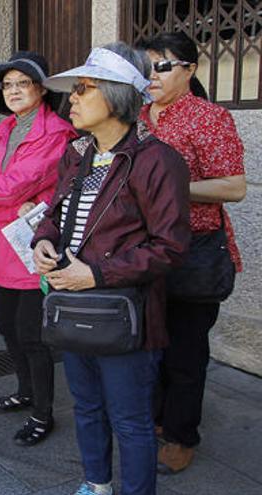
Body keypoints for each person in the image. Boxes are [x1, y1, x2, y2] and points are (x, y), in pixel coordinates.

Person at [33, 43, 191, 495]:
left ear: (118, 95)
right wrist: (44, 239)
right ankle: (96, 484)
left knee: (131, 419)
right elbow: (54, 213)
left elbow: (170, 248)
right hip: (72, 302)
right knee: (85, 406)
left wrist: (97, 274)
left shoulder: (156, 160)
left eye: (84, 89)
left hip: (126, 313)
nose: (72, 100)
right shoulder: (77, 153)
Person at [137, 32, 247, 475]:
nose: (153, 76)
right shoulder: (138, 118)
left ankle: (182, 435)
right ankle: (158, 419)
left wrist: (169, 188)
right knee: (151, 346)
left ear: (190, 69)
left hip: (193, 251)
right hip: (144, 253)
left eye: (162, 66)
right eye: (146, 67)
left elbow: (233, 187)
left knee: (185, 352)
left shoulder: (209, 118)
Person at [0, 51, 76, 446]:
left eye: (21, 83)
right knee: (6, 326)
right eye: (7, 85)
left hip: (33, 245)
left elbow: (7, 186)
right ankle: (25, 390)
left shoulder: (58, 133)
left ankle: (43, 414)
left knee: (33, 336)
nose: (12, 91)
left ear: (41, 88)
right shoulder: (5, 128)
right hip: (3, 244)